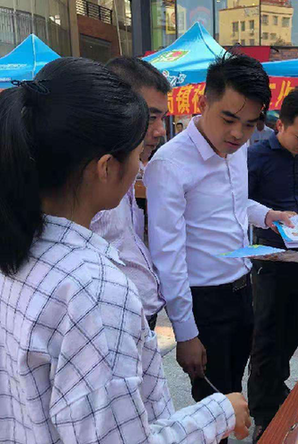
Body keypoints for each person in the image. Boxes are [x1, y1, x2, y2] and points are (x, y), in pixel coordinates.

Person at [0, 57, 251, 443]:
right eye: (136, 154)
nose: (143, 162)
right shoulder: (94, 290)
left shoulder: (20, 247)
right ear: (105, 168)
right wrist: (218, 413)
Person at [144, 54, 294, 418]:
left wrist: (268, 215)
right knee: (213, 405)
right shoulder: (169, 164)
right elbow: (167, 255)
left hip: (243, 288)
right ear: (203, 103)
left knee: (234, 389)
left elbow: (235, 204)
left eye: (249, 124)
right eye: (228, 119)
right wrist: (186, 333)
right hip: (204, 302)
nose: (238, 134)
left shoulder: (236, 151)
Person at [247, 87, 298, 440]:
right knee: (267, 335)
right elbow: (240, 206)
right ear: (280, 124)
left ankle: (278, 387)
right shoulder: (255, 157)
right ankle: (262, 413)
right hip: (270, 258)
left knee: (293, 329)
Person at [90, 56, 169, 330]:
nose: (160, 130)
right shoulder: (91, 182)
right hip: (114, 323)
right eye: (151, 117)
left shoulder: (127, 167)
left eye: (163, 118)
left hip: (138, 315)